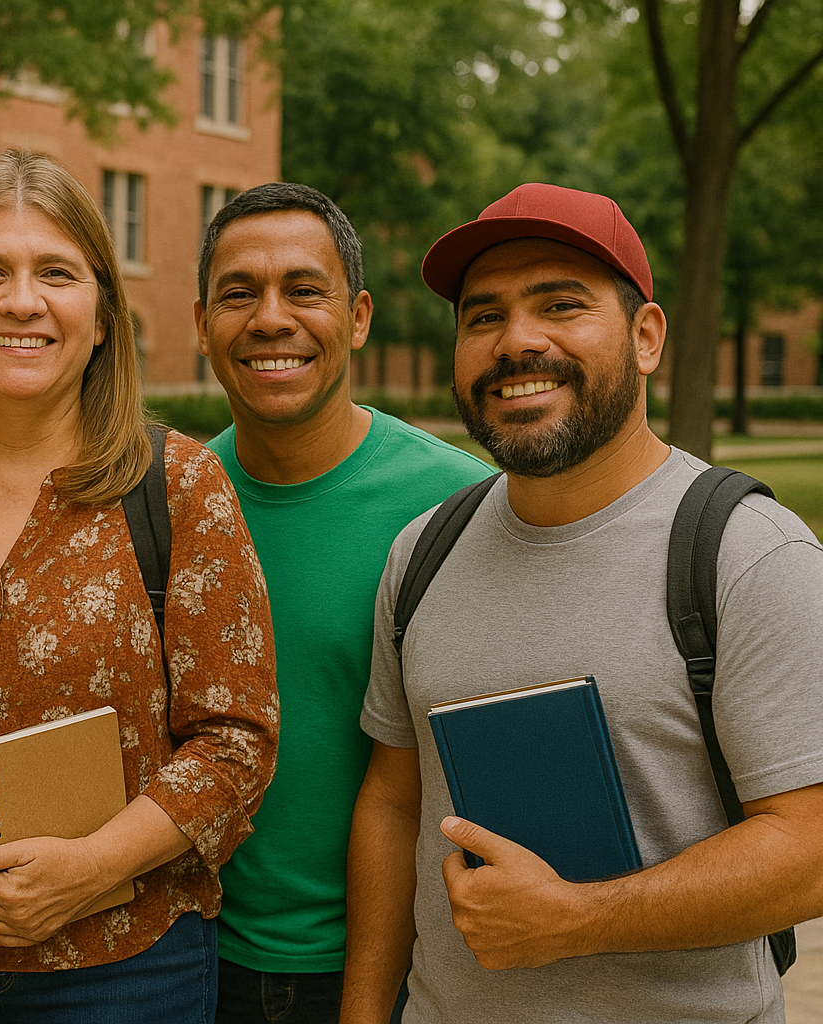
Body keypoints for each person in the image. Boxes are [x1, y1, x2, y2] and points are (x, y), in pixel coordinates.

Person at [341, 182, 823, 1023]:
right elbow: (392, 801)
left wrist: (578, 921)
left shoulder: (748, 554)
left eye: (560, 305)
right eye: (482, 317)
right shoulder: (422, 553)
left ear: (646, 337)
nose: (516, 341)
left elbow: (811, 849)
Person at [0, 148, 280, 1023]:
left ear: (104, 313)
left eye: (57, 273)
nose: (22, 301)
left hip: (126, 964)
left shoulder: (177, 486)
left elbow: (236, 741)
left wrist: (92, 870)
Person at [194, 183, 491, 1024]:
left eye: (305, 289)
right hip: (190, 959)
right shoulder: (171, 501)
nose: (270, 318)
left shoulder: (460, 507)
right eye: (239, 293)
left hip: (400, 968)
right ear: (201, 321)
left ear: (358, 317)